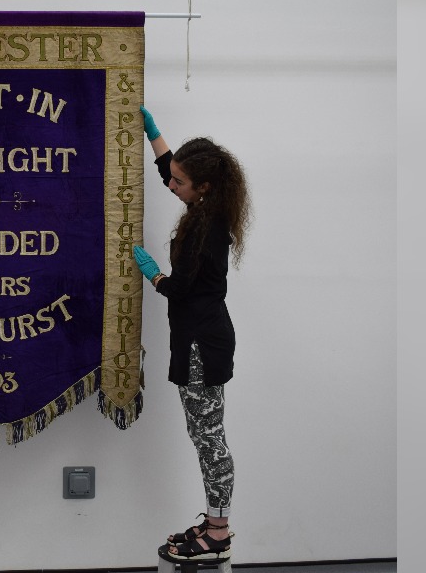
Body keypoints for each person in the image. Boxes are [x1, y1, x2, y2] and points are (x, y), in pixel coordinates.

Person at [134, 106, 251, 562]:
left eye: (180, 182)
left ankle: (218, 531)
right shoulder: (205, 206)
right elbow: (171, 170)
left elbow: (179, 288)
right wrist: (155, 137)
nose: (170, 185)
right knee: (204, 431)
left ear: (201, 188)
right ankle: (214, 518)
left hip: (201, 343)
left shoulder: (205, 227)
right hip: (204, 337)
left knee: (208, 436)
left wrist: (154, 276)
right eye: (173, 177)